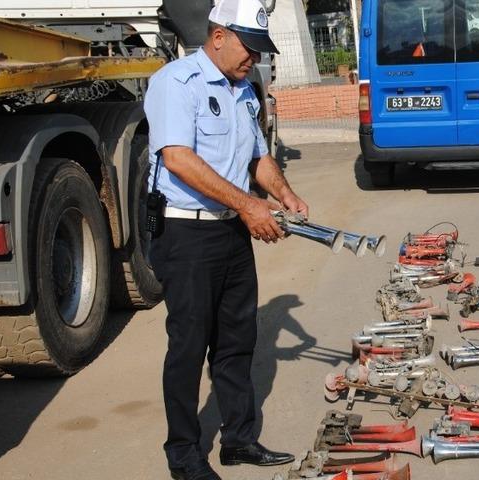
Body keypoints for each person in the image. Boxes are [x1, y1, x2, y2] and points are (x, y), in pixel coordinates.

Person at [144, 0, 308, 478]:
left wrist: (283, 193)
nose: (254, 58)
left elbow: (259, 157)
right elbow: (177, 158)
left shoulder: (245, 91)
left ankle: (239, 440)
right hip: (186, 232)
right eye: (248, 47)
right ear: (218, 36)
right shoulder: (176, 83)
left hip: (231, 232)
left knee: (238, 341)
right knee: (189, 346)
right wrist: (248, 205)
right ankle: (184, 455)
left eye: (259, 49)